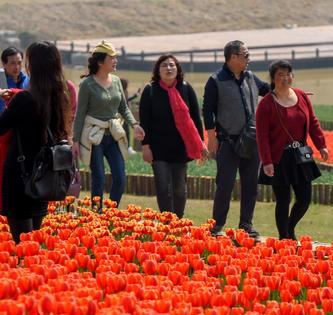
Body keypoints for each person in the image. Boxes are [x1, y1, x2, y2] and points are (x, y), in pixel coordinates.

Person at [0, 41, 70, 242]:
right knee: (32, 243)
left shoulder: (25, 100)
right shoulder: (59, 97)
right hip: (44, 176)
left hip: (20, 176)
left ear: (33, 67)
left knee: (22, 244)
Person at [203, 40, 270, 238]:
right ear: (233, 57)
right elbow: (207, 110)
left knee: (251, 186)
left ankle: (246, 225)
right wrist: (212, 138)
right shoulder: (215, 80)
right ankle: (216, 227)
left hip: (252, 141)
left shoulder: (250, 76)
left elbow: (268, 90)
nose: (249, 59)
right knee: (225, 185)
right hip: (227, 142)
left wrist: (291, 93)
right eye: (246, 55)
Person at [257, 60, 328, 240]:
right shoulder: (266, 104)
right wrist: (267, 162)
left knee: (304, 199)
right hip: (278, 157)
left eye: (288, 74)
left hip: (301, 153)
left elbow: (313, 122)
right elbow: (262, 136)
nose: (285, 78)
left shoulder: (301, 96)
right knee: (283, 200)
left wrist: (321, 145)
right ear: (272, 78)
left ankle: (289, 228)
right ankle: (284, 238)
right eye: (280, 75)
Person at [72, 41, 143, 209]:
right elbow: (80, 114)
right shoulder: (87, 84)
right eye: (112, 58)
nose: (115, 61)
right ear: (100, 62)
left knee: (120, 177)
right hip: (94, 137)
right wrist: (75, 140)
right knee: (99, 177)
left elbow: (123, 107)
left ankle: (112, 214)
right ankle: (96, 214)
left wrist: (135, 125)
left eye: (115, 57)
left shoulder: (117, 81)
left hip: (114, 136)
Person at [139, 54, 206, 218]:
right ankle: (167, 223)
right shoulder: (150, 90)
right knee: (163, 188)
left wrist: (201, 144)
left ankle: (178, 222)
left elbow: (196, 119)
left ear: (177, 69)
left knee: (179, 189)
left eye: (172, 65)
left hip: (181, 148)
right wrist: (145, 147)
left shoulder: (186, 88)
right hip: (158, 149)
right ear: (158, 70)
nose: (168, 68)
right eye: (164, 65)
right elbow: (144, 122)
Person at [0, 47, 28, 113]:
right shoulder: (1, 80)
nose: (17, 67)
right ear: (4, 64)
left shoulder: (28, 82)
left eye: (19, 63)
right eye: (12, 63)